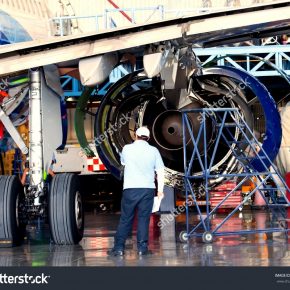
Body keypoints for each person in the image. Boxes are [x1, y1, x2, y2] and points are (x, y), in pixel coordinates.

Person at [107, 126, 165, 257]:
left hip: (130, 189)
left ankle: (119, 248)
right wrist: (160, 191)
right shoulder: (154, 150)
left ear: (136, 136)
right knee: (143, 219)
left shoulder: (127, 149)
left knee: (126, 219)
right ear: (148, 138)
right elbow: (160, 171)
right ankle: (142, 249)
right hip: (147, 189)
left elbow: (123, 162)